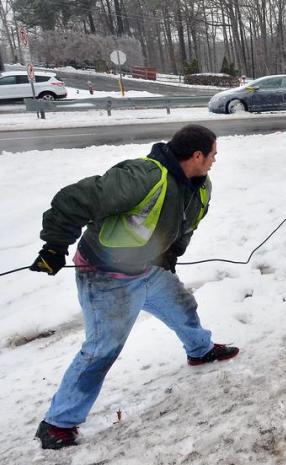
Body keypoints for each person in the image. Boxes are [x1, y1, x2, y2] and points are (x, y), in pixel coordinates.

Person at [29, 124, 239, 450]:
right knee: (102, 349)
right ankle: (58, 423)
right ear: (197, 155)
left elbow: (184, 225)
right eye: (213, 154)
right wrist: (55, 247)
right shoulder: (144, 176)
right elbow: (77, 199)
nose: (215, 160)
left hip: (148, 270)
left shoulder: (199, 185)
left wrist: (168, 257)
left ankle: (200, 351)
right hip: (105, 277)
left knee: (183, 306)